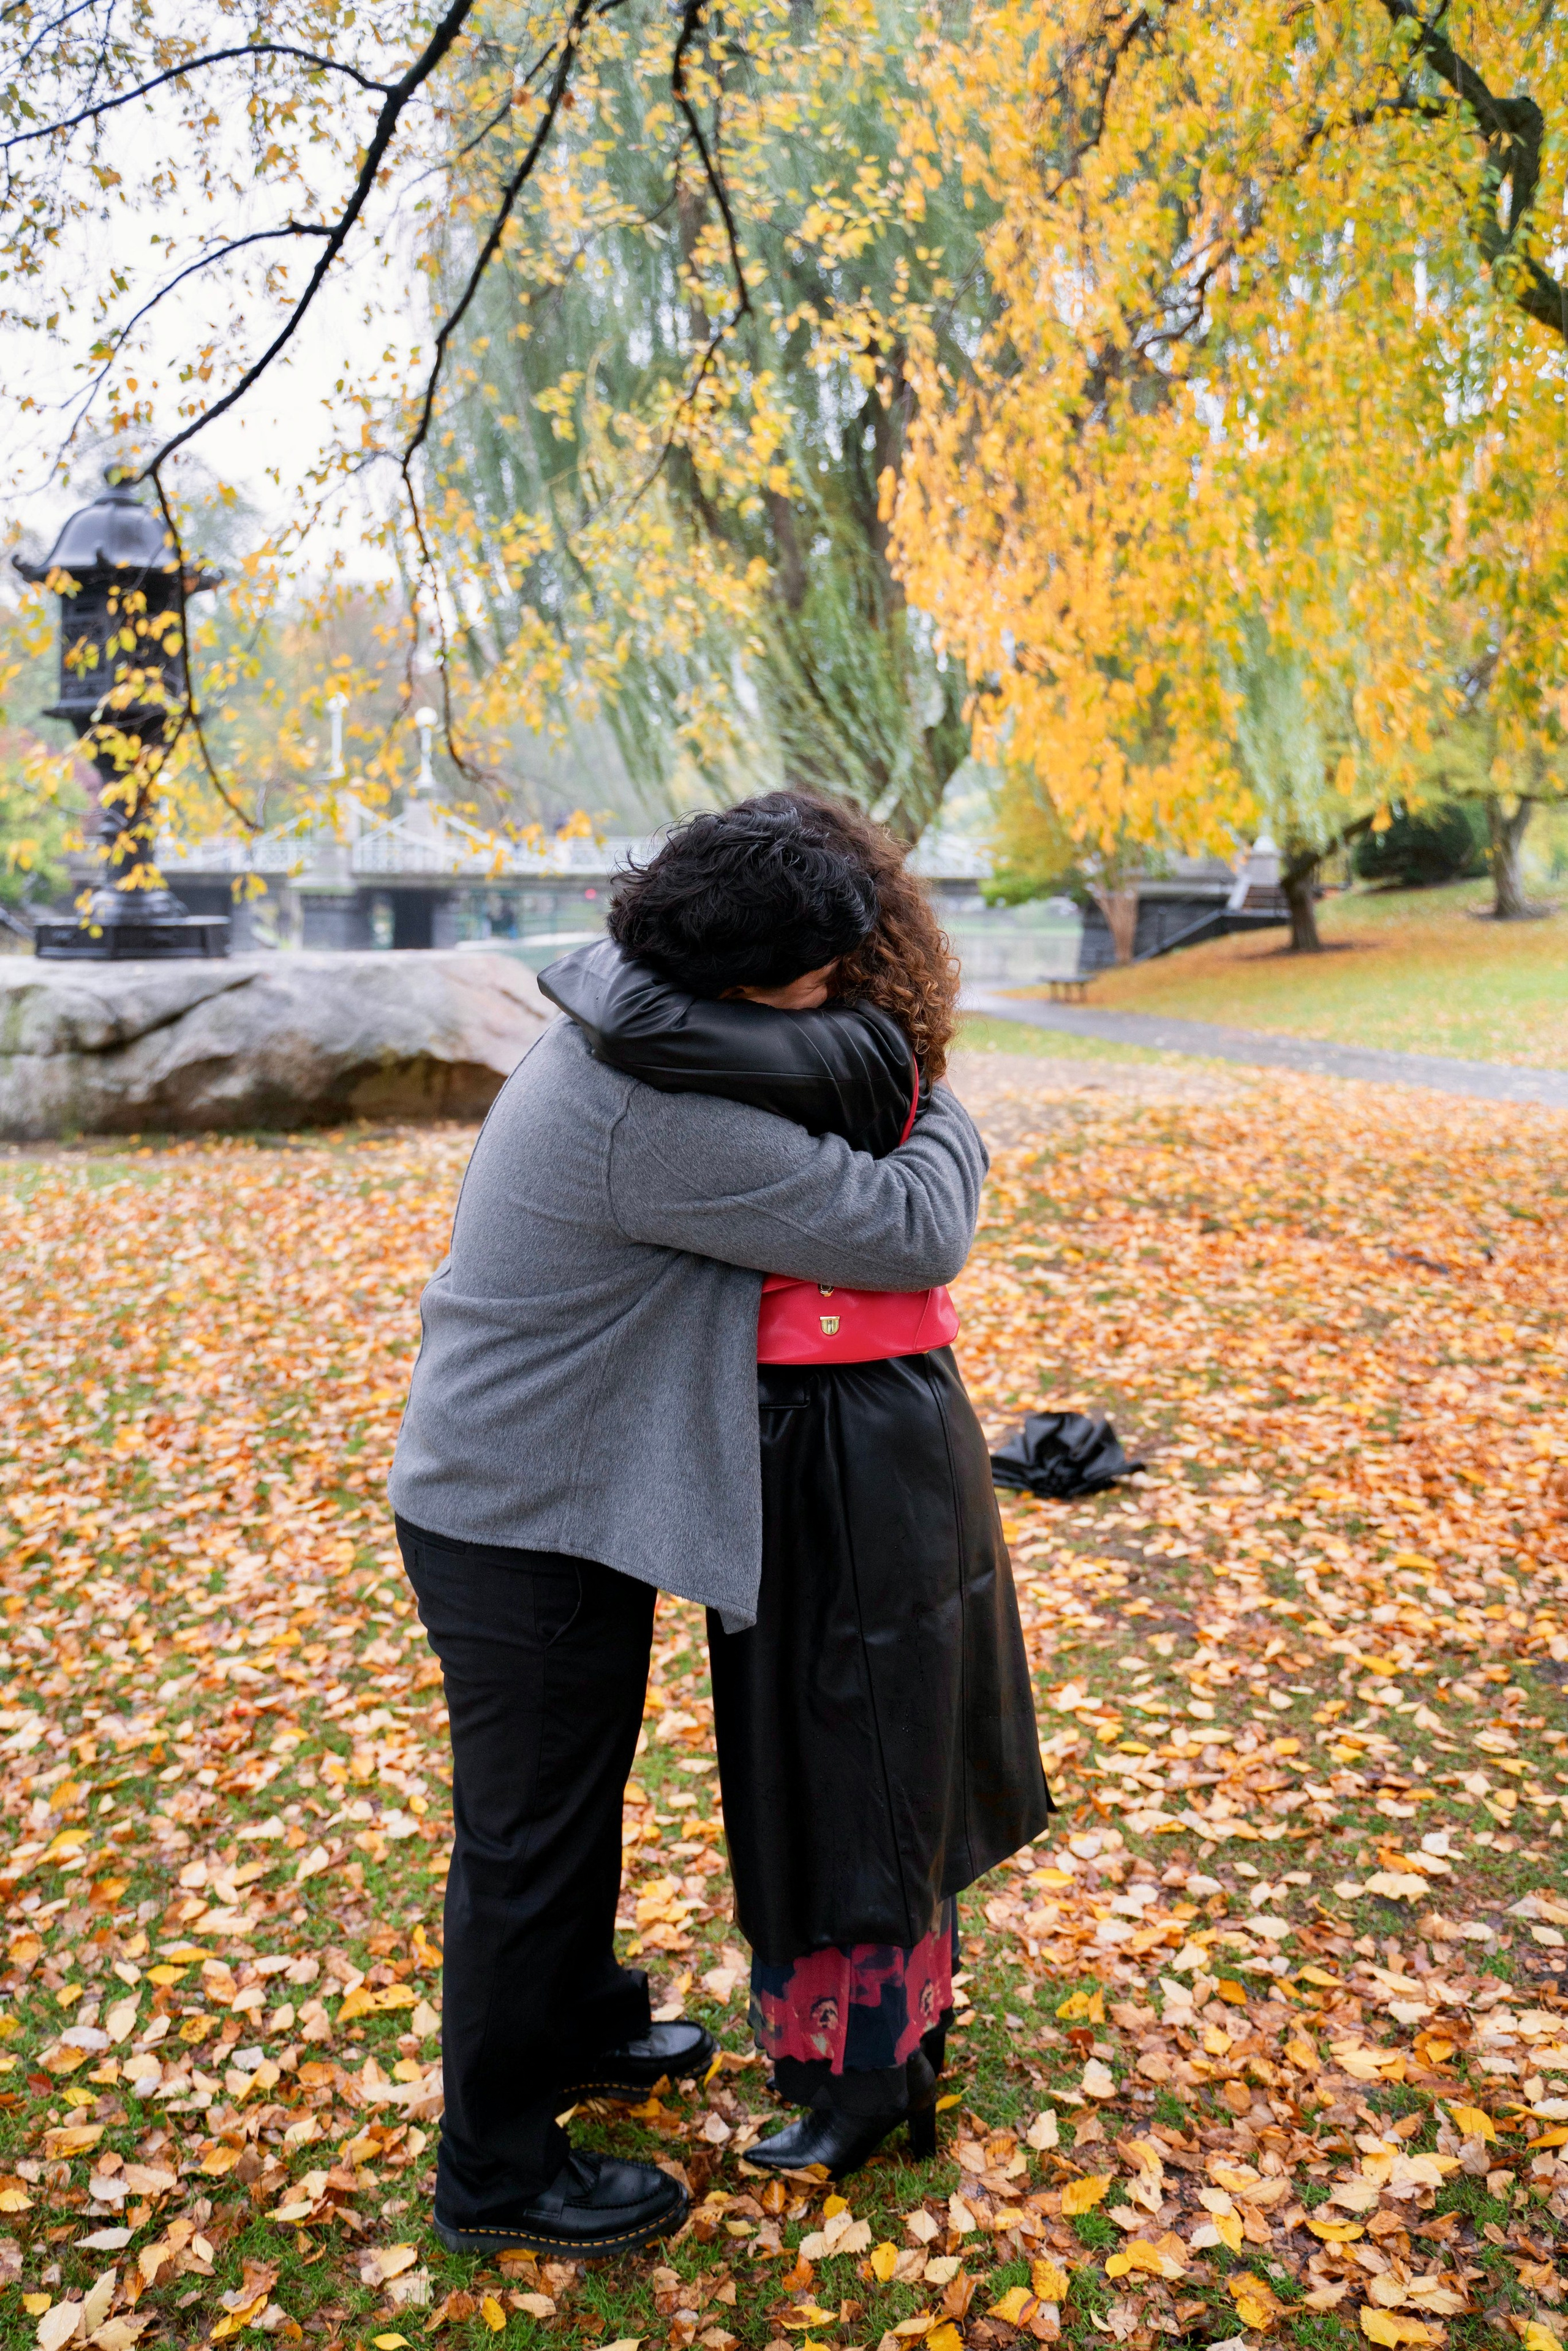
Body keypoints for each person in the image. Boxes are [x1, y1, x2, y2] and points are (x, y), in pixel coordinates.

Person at [387, 794, 989, 2255]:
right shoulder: (657, 1119)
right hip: (515, 1511)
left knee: (565, 1808)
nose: (837, 993)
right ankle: (495, 2172)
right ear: (747, 979)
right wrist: (939, 1093)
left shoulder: (635, 1014)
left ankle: (581, 2023)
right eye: (820, 976)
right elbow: (914, 1226)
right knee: (525, 1839)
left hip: (558, 1485)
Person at [543, 790, 1051, 2179]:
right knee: (846, 1749)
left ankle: (869, 2067)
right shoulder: (843, 1044)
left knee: (854, 1757)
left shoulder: (782, 1048)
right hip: (844, 1421)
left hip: (835, 1429)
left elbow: (914, 1222)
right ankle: (878, 2038)